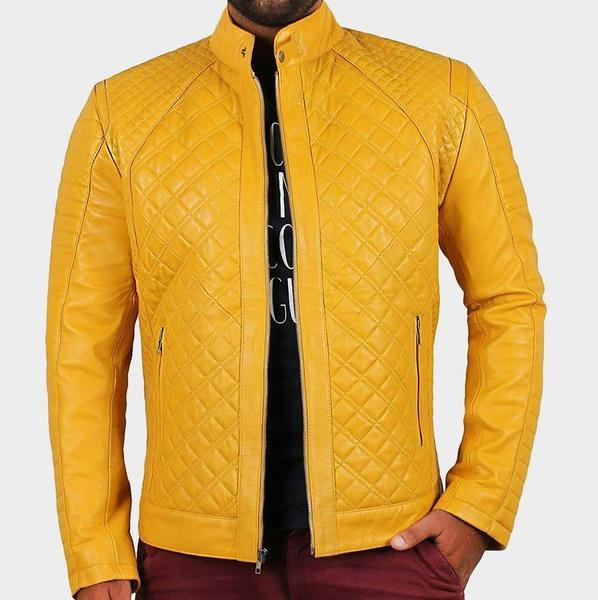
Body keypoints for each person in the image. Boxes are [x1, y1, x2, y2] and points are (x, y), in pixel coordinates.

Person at [46, 1, 545, 598]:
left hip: (392, 548)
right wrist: (96, 549)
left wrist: (479, 504)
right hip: (192, 560)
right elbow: (84, 343)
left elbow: (507, 302)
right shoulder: (122, 114)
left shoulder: (439, 96)